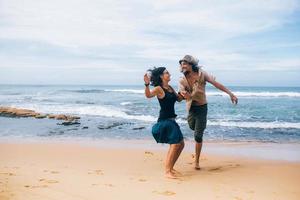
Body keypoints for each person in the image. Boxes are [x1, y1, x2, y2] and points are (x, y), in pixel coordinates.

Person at [178, 55, 238, 170]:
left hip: (202, 108)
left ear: (191, 65)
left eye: (184, 64)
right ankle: (198, 132)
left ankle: (196, 161)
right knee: (191, 127)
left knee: (198, 136)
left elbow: (216, 84)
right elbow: (185, 96)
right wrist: (186, 95)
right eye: (181, 64)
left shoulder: (202, 74)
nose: (182, 66)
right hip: (191, 109)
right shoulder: (182, 80)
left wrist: (230, 94)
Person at [144, 67, 185, 179]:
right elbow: (148, 95)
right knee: (175, 144)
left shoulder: (170, 88)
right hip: (165, 120)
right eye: (167, 73)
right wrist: (147, 85)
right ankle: (167, 171)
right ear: (162, 76)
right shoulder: (159, 88)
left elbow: (178, 99)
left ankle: (170, 168)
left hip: (172, 119)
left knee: (181, 144)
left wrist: (184, 95)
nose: (169, 74)